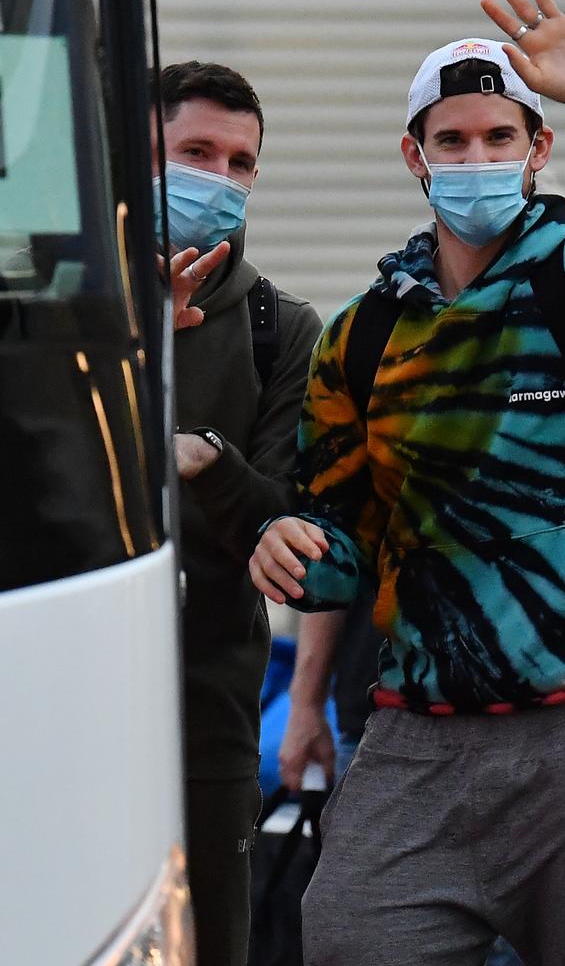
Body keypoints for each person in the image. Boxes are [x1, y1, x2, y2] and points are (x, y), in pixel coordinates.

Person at [251, 0, 565, 966]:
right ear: (415, 156)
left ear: (538, 149)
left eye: (500, 136)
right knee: (348, 932)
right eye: (452, 139)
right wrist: (277, 538)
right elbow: (339, 543)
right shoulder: (362, 338)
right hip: (417, 733)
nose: (476, 157)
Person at [151, 61, 322, 966]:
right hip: (61, 694)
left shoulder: (280, 327)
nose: (219, 178)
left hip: (208, 715)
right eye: (194, 152)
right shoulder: (58, 309)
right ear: (141, 152)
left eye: (239, 161)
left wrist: (209, 461)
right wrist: (137, 351)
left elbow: (283, 519)